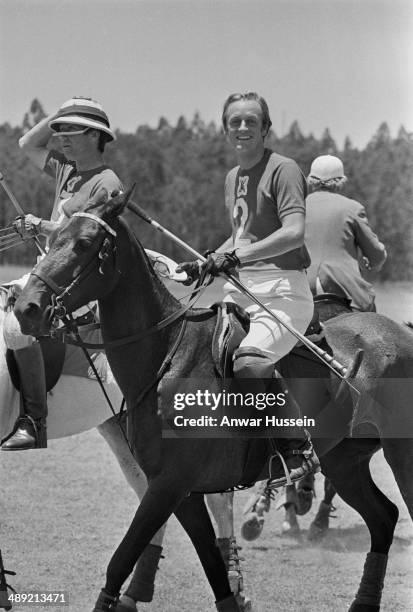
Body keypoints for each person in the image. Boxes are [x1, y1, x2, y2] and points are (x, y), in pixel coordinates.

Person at [177, 91, 319, 487]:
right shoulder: (232, 177)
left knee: (250, 362)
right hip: (241, 291)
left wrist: (236, 258)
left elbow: (293, 233)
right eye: (234, 122)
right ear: (225, 130)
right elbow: (240, 237)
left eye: (250, 121)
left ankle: (295, 448)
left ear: (265, 128)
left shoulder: (283, 169)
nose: (242, 128)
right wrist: (208, 260)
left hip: (282, 291)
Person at [1, 96, 122, 451]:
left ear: (96, 136)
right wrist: (63, 111)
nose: (61, 137)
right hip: (48, 275)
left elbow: (84, 238)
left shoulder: (107, 182)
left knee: (14, 324)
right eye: (60, 130)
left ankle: (34, 420)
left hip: (76, 285)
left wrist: (43, 226)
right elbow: (27, 144)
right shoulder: (66, 169)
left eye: (71, 130)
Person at [305, 154, 387, 311]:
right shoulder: (352, 208)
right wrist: (374, 261)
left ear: (311, 180)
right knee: (374, 327)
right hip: (341, 287)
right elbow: (376, 254)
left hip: (302, 286)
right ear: (340, 181)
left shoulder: (298, 207)